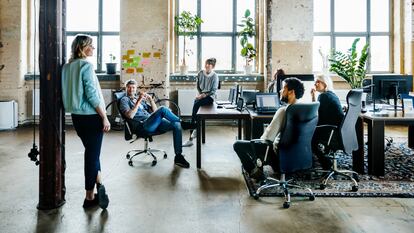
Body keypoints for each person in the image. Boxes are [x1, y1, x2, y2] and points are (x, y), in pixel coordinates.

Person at [61, 34, 110, 209]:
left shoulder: (66, 67)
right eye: (91, 46)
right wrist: (104, 116)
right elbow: (92, 95)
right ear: (82, 47)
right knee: (92, 156)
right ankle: (89, 197)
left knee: (92, 153)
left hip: (77, 117)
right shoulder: (86, 66)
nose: (93, 49)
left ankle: (99, 184)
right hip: (91, 117)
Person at [233, 78, 305, 181]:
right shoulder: (305, 109)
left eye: (283, 89)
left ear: (291, 92)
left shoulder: (283, 111)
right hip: (300, 158)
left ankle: (255, 172)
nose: (280, 91)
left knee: (237, 145)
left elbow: (267, 138)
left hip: (280, 159)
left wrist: (256, 145)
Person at [119, 79, 190, 168]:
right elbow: (130, 116)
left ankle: (178, 157)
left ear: (136, 88)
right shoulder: (124, 100)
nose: (131, 89)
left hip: (152, 122)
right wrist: (139, 101)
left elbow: (155, 111)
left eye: (133, 87)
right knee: (163, 109)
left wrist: (151, 100)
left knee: (176, 125)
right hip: (142, 126)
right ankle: (183, 123)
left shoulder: (137, 98)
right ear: (125, 88)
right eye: (129, 87)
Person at [182, 58, 219, 147]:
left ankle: (193, 130)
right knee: (194, 110)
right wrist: (200, 94)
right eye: (206, 63)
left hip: (210, 97)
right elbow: (198, 86)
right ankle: (193, 132)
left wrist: (204, 95)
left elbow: (213, 90)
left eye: (209, 64)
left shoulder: (215, 76)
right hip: (201, 95)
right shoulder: (200, 73)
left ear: (212, 66)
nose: (206, 66)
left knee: (197, 104)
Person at [310, 74, 344, 169]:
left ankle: (325, 162)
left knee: (307, 136)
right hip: (337, 131)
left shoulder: (324, 96)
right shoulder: (331, 94)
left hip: (330, 132)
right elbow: (318, 111)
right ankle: (324, 158)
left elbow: (316, 115)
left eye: (318, 82)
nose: (315, 84)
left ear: (325, 84)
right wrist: (313, 96)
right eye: (315, 82)